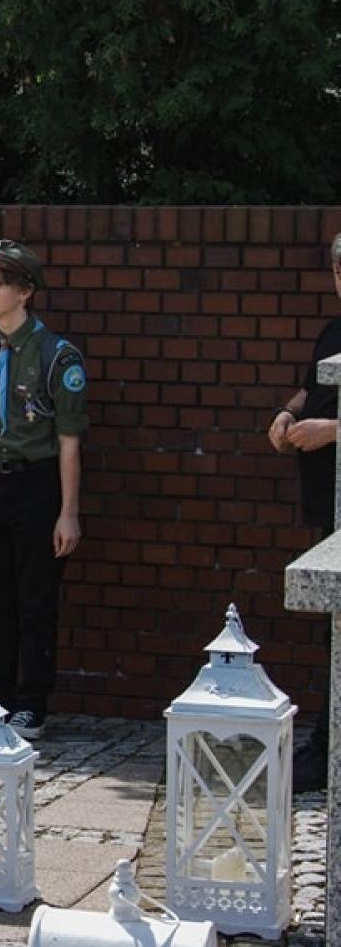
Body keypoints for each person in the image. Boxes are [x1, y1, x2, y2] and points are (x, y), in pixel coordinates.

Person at [0, 240, 88, 740]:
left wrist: (67, 511)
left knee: (35, 598)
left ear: (25, 292)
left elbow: (69, 439)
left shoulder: (56, 355)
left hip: (36, 482)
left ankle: (31, 701)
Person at [266, 232, 341, 793]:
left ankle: (324, 749)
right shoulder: (333, 329)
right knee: (330, 636)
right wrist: (288, 414)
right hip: (327, 505)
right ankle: (324, 746)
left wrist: (334, 430)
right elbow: (311, 383)